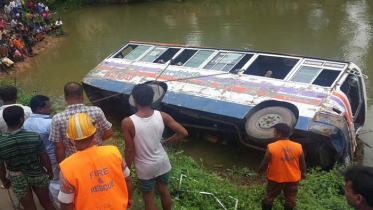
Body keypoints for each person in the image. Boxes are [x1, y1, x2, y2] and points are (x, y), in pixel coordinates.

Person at [122, 84, 188, 210]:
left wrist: (128, 169)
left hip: (145, 168)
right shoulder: (162, 116)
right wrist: (165, 142)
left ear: (134, 100)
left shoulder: (128, 122)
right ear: (152, 98)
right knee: (164, 190)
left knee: (149, 199)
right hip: (162, 162)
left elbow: (129, 150)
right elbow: (183, 133)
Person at [58, 113, 133, 210]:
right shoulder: (114, 153)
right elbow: (127, 179)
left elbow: (66, 201)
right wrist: (129, 198)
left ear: (71, 140)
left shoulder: (67, 167)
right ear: (94, 133)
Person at [0, 106, 56, 210]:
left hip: (17, 177)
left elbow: (1, 166)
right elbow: (44, 158)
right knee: (47, 203)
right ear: (21, 119)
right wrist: (50, 171)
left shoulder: (1, 142)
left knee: (29, 208)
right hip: (37, 173)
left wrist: (4, 179)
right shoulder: (34, 136)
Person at [49, 82, 113, 164]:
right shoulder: (96, 111)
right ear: (82, 97)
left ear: (65, 98)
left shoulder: (57, 119)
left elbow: (58, 146)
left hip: (75, 160)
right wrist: (98, 140)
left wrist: (61, 165)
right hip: (98, 155)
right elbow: (109, 132)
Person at [257, 123, 306, 210]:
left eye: (275, 132)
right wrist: (304, 173)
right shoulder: (298, 146)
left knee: (269, 197)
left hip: (276, 178)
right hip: (293, 178)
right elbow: (302, 162)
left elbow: (265, 162)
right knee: (290, 199)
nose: (274, 134)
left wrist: (259, 172)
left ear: (279, 134)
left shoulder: (272, 147)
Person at [23, 95, 60, 208]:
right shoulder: (49, 123)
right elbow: (58, 143)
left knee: (46, 179)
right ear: (39, 109)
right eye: (48, 106)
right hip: (51, 158)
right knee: (55, 181)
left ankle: (49, 198)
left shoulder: (26, 122)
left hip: (37, 158)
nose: (51, 108)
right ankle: (59, 203)